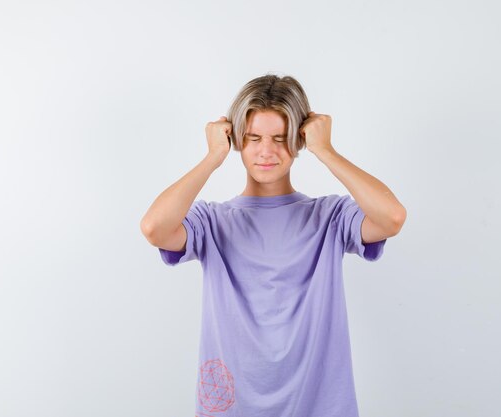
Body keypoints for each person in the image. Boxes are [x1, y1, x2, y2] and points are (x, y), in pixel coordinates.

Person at [139, 74, 406, 417]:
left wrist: (326, 151)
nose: (266, 151)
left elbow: (392, 218)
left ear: (299, 141)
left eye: (281, 138)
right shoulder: (212, 222)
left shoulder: (330, 218)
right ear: (236, 139)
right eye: (253, 138)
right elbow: (154, 228)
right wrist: (212, 158)